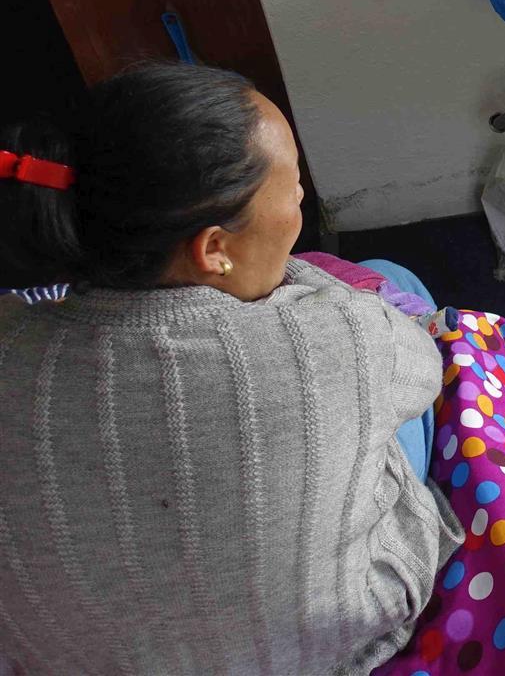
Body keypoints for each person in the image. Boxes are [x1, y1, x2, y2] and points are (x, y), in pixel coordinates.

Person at [0, 63, 459, 673]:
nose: (302, 198)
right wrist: (300, 286)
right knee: (395, 283)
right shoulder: (337, 335)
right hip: (315, 651)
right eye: (292, 186)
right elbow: (425, 368)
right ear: (213, 249)